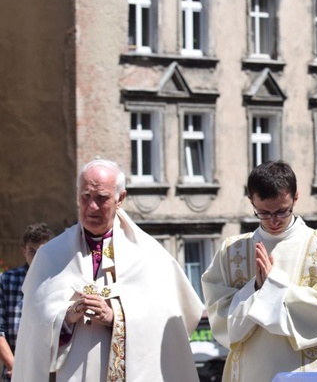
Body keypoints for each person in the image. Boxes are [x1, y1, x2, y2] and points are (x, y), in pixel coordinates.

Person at [12, 159, 204, 382]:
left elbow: (172, 324)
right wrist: (66, 317)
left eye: (101, 198)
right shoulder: (51, 255)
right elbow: (33, 328)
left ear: (120, 198)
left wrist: (116, 318)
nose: (92, 207)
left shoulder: (149, 255)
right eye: (85, 197)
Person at [202, 160, 317, 382]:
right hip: (252, 372)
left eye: (282, 211)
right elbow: (220, 320)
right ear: (251, 201)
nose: (273, 221)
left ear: (295, 197)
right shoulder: (232, 251)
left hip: (310, 372)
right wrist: (255, 287)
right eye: (263, 212)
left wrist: (275, 284)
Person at [0, 223, 55, 381]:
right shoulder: (6, 280)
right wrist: (15, 366)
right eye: (32, 251)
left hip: (50, 371)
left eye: (42, 252)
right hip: (14, 370)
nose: (37, 257)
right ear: (23, 250)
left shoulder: (59, 281)